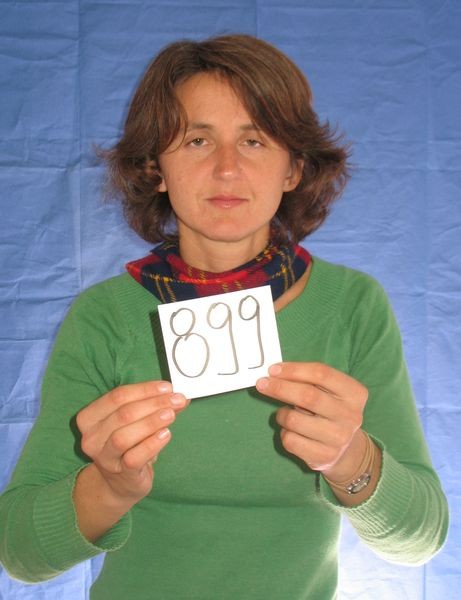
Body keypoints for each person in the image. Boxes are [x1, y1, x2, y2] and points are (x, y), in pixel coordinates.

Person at [0, 34, 448, 599]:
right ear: (156, 168)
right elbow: (19, 553)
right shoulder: (105, 317)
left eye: (254, 140)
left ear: (293, 168)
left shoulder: (354, 306)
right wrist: (109, 486)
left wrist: (351, 458)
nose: (227, 168)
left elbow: (420, 541)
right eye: (197, 140)